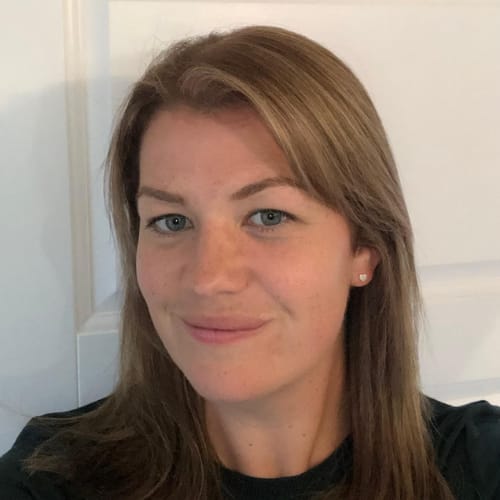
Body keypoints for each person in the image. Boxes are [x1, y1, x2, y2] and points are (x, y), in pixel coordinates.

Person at [1, 25, 499, 500]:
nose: (209, 277)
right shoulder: (52, 478)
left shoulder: (478, 468)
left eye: (268, 215)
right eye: (171, 221)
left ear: (364, 247)